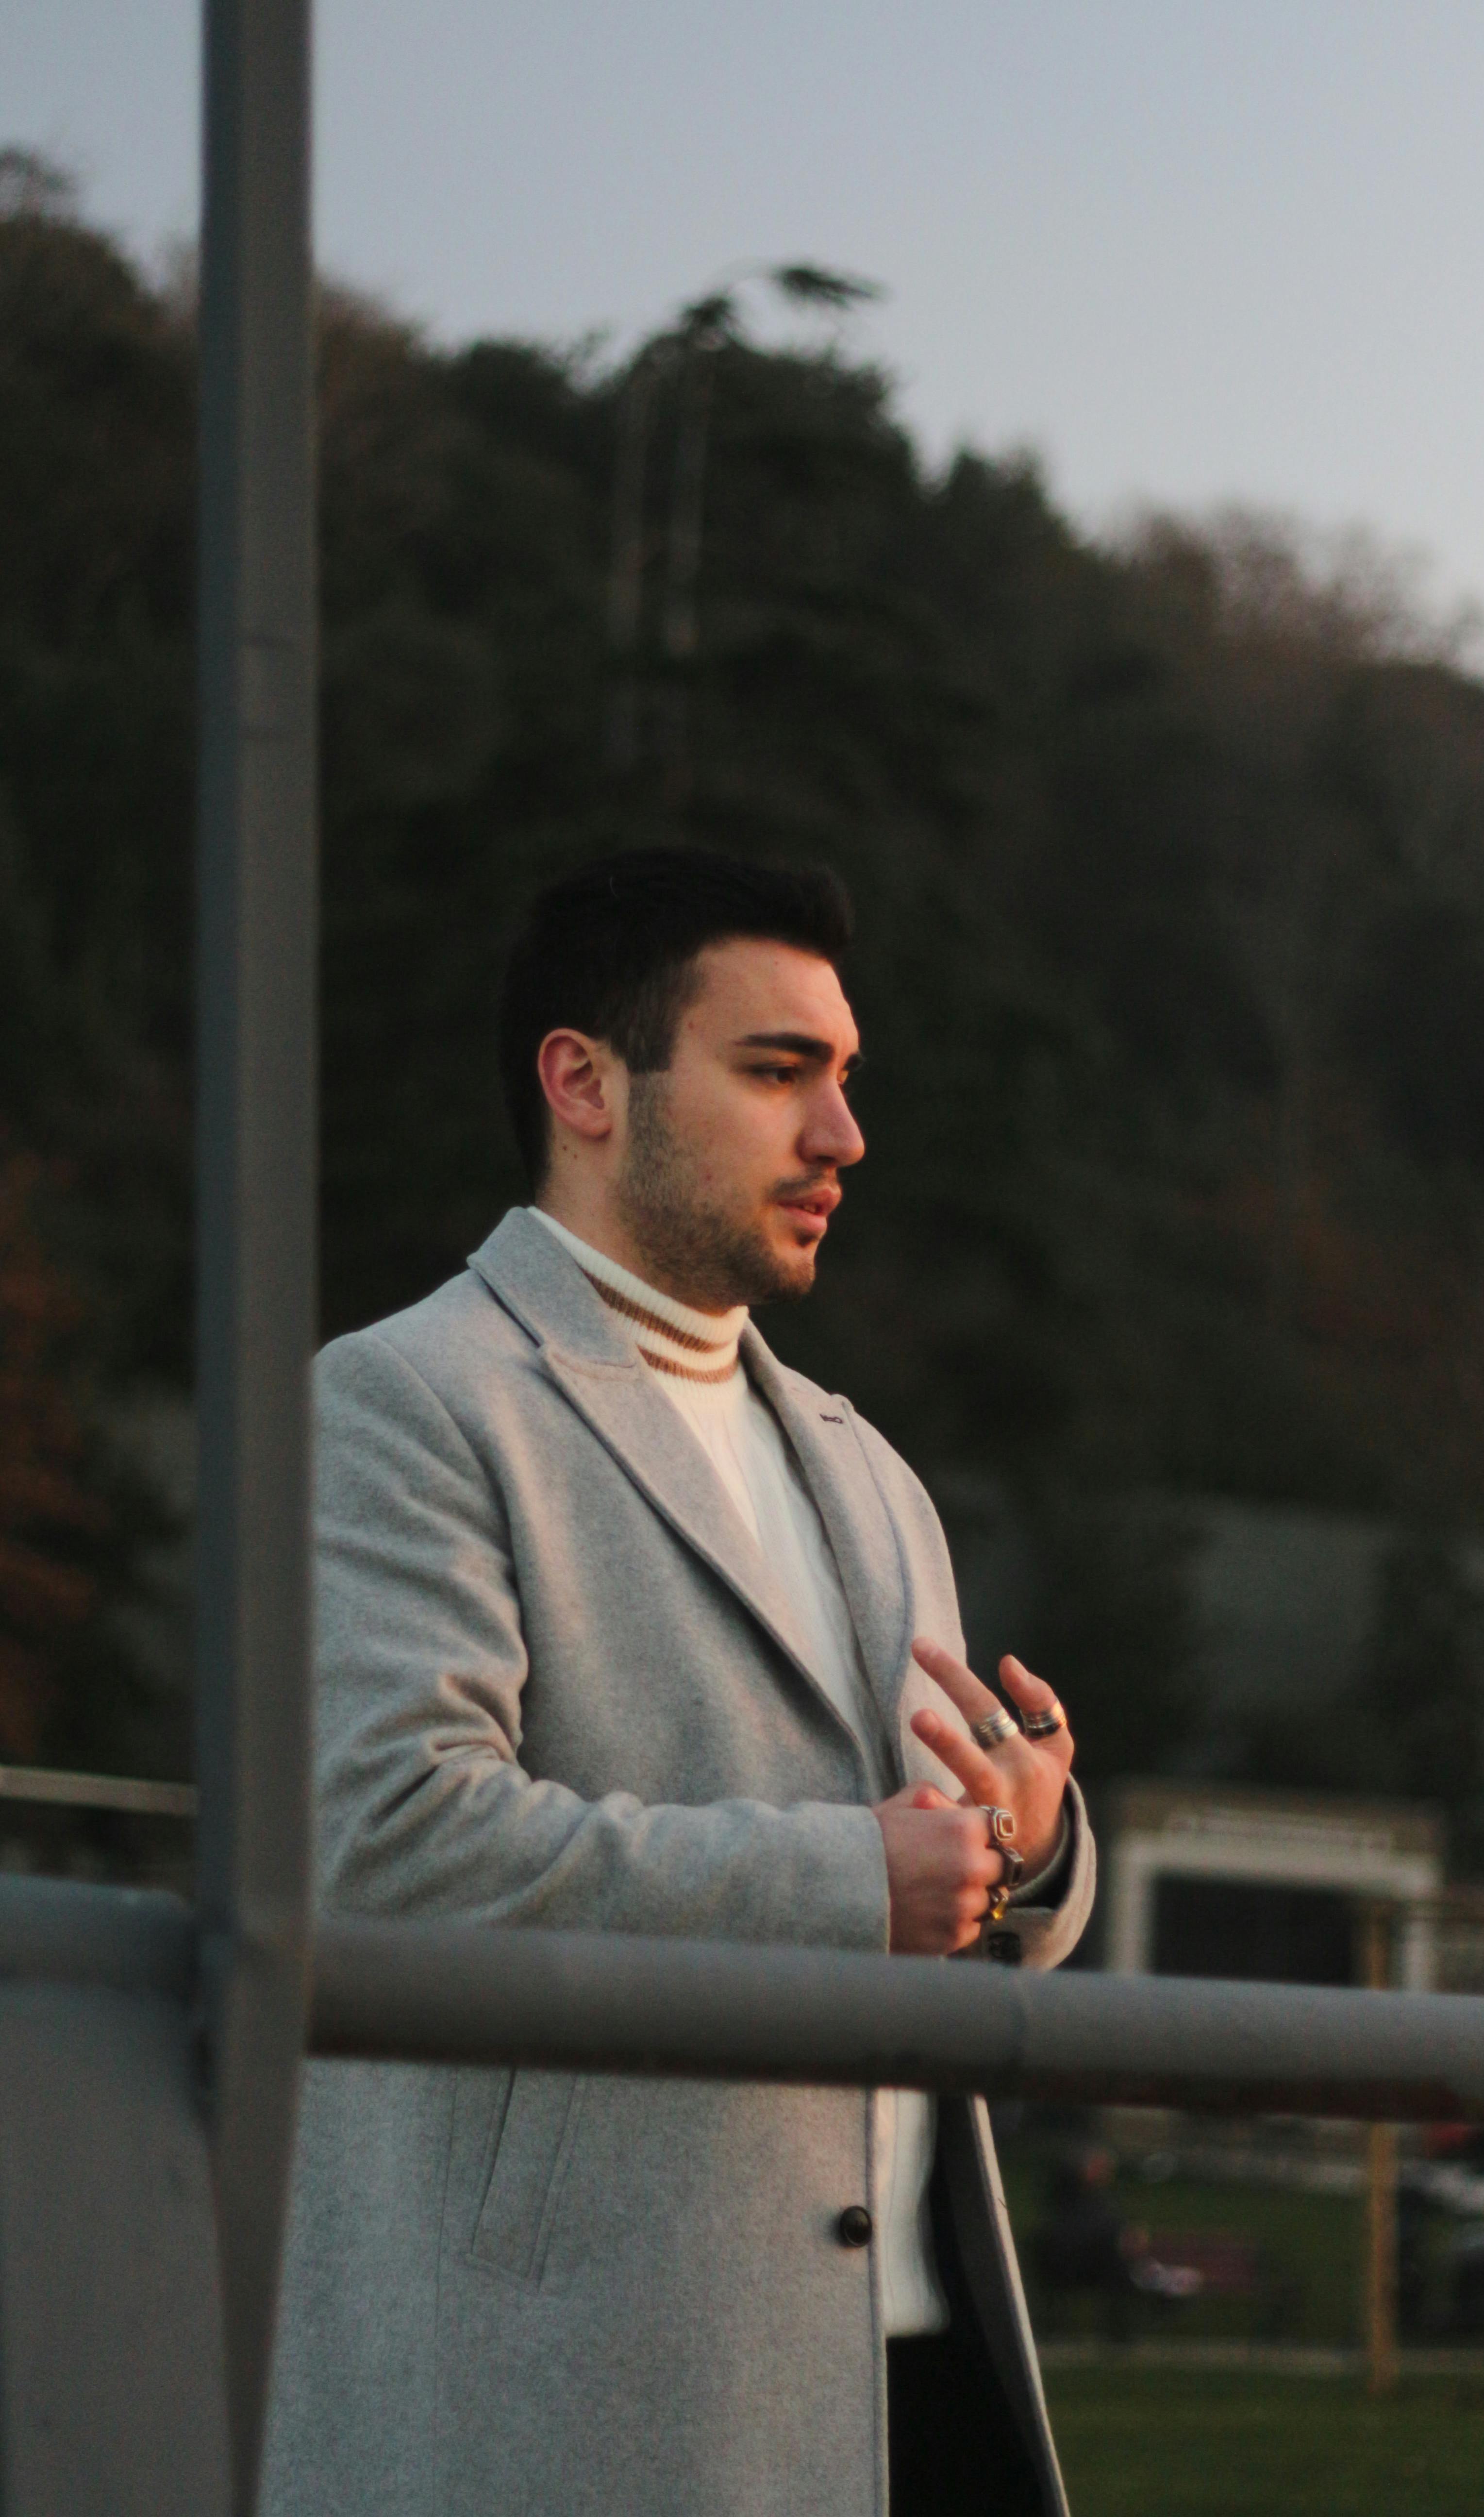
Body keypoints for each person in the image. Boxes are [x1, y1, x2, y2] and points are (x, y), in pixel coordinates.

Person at [264, 848, 1095, 2517]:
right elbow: (390, 1838)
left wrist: (1037, 1848)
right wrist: (853, 1877)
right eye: (779, 1072)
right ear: (583, 1081)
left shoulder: (873, 1472)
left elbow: (966, 1903)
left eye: (845, 1078)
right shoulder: (403, 1404)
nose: (842, 1135)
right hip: (582, 2402)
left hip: (917, 2379)